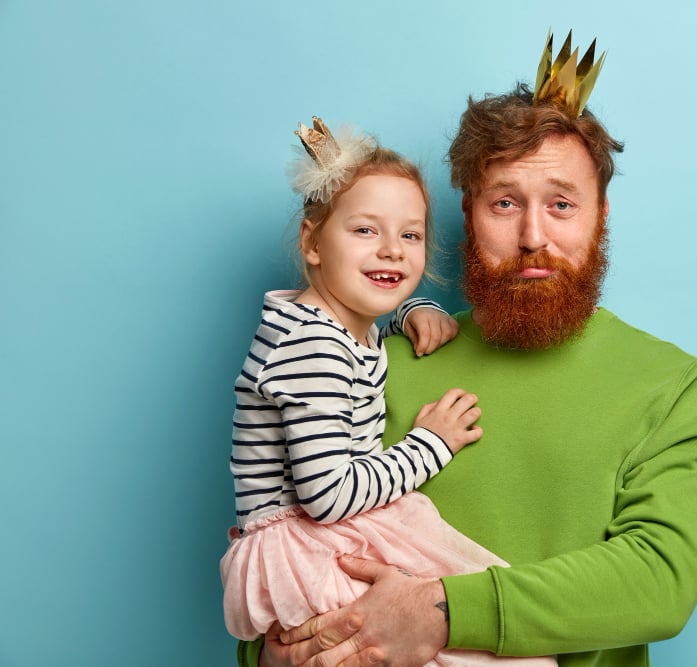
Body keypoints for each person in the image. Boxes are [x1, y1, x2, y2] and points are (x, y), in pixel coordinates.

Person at [243, 31, 697, 667]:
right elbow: (290, 550)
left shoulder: (676, 390)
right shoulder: (372, 361)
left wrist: (442, 615)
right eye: (504, 203)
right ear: (469, 212)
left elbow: (658, 583)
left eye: (562, 204)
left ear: (601, 214)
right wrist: (267, 656)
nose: (534, 235)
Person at [221, 117, 556, 666]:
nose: (393, 252)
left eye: (410, 235)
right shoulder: (312, 348)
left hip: (328, 537)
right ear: (312, 242)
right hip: (314, 545)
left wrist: (412, 309)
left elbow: (363, 315)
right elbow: (326, 496)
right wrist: (431, 445)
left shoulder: (329, 323)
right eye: (365, 231)